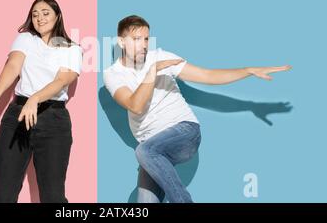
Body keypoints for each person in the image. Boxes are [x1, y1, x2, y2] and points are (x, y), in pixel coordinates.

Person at [103, 15, 291, 203]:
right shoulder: (113, 74)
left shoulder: (161, 57)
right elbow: (135, 105)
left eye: (146, 39)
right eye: (136, 39)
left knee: (144, 152)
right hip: (153, 148)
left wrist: (247, 70)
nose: (143, 45)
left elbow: (206, 75)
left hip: (184, 132)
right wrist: (152, 72)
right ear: (121, 41)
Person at [0, 0, 82, 203]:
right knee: (3, 193)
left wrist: (36, 98)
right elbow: (13, 65)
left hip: (54, 120)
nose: (39, 18)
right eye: (35, 14)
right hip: (19, 115)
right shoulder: (25, 39)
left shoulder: (72, 48)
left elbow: (63, 79)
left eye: (45, 12)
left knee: (53, 197)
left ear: (57, 15)